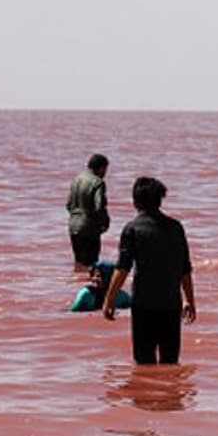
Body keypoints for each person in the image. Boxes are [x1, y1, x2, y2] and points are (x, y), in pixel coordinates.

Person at [102, 177, 197, 365]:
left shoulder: (133, 229)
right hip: (171, 305)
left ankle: (148, 395)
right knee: (170, 363)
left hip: (144, 306)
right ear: (160, 200)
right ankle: (169, 395)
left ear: (135, 202)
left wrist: (109, 299)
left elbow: (122, 268)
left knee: (144, 364)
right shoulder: (175, 228)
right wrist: (189, 300)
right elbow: (184, 268)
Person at [67, 153, 110, 269]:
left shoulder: (77, 180)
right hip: (88, 227)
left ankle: (76, 285)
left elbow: (69, 205)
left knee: (79, 263)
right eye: (105, 169)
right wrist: (105, 223)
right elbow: (99, 206)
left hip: (73, 225)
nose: (105, 173)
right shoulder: (97, 182)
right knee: (91, 265)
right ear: (101, 168)